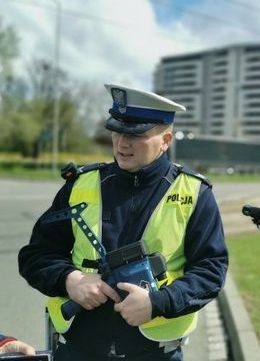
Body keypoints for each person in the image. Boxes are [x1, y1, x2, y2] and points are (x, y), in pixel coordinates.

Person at [18, 84, 228, 361]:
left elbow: (210, 270)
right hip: (78, 349)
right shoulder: (81, 185)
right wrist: (69, 279)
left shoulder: (195, 193)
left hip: (155, 353)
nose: (122, 143)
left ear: (166, 140)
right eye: (117, 130)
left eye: (136, 134)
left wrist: (158, 303)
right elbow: (36, 256)